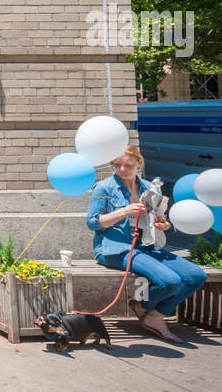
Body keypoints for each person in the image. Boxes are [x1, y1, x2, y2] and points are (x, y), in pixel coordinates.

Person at [86, 145, 206, 342]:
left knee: (196, 276)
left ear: (139, 163)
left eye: (128, 165)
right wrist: (124, 212)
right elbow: (92, 222)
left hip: (147, 247)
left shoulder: (149, 187)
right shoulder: (104, 188)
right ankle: (145, 309)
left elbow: (159, 217)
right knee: (170, 281)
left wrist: (165, 225)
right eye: (117, 165)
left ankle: (153, 315)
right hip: (115, 249)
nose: (122, 169)